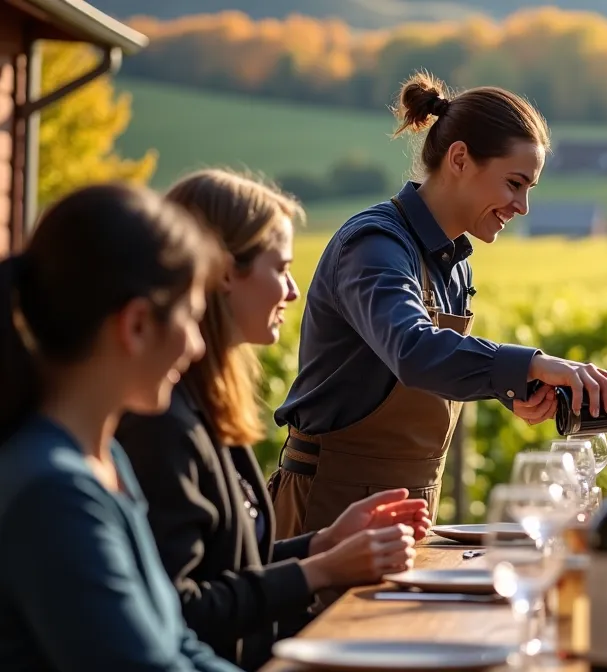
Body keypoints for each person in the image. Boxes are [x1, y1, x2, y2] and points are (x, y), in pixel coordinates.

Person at [267, 71, 607, 538]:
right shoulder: (375, 244)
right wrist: (532, 364)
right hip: (331, 507)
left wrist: (508, 389)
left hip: (411, 508)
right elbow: (413, 350)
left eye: (529, 188)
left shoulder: (456, 263)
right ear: (459, 158)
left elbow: (432, 368)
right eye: (514, 183)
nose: (522, 206)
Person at [115, 170, 422, 670]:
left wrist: (324, 541)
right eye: (280, 267)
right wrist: (320, 569)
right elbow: (178, 611)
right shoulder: (161, 424)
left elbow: (229, 567)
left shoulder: (204, 404)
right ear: (224, 272)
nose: (294, 290)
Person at [0, 183, 238, 671]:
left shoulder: (105, 460)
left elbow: (176, 644)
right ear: (136, 326)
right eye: (191, 319)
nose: (195, 346)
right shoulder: (53, 491)